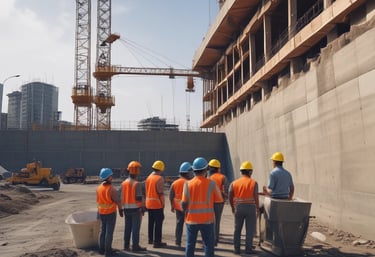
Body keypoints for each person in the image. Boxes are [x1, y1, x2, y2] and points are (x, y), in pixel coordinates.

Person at [181, 157, 223, 257]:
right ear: (206, 170)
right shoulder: (212, 184)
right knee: (208, 245)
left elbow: (183, 203)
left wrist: (185, 211)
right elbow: (219, 200)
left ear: (194, 170)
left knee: (190, 245)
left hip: (191, 220)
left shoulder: (187, 184)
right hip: (207, 220)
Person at [228, 161, 259, 255]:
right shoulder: (254, 183)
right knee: (249, 230)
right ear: (250, 172)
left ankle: (236, 249)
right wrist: (257, 208)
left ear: (241, 172)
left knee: (237, 229)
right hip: (250, 208)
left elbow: (230, 194)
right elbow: (255, 196)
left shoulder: (234, 183)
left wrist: (232, 206)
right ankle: (248, 249)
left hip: (239, 207)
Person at [120, 161, 146, 252]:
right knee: (135, 229)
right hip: (136, 209)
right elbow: (139, 198)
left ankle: (126, 246)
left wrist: (121, 209)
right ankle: (135, 247)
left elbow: (121, 197)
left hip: (126, 209)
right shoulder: (137, 184)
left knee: (127, 228)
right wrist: (143, 208)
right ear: (137, 171)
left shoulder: (123, 183)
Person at [96, 168, 123, 257]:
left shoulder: (99, 188)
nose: (112, 177)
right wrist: (120, 210)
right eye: (111, 176)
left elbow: (98, 201)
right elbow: (118, 201)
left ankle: (101, 249)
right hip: (110, 213)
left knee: (102, 231)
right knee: (109, 232)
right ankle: (108, 251)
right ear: (109, 177)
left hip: (101, 212)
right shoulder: (111, 189)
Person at [169, 161, 192, 247]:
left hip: (178, 207)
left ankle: (177, 241)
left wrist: (172, 206)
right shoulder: (189, 183)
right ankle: (189, 241)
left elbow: (171, 196)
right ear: (186, 173)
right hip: (188, 207)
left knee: (179, 224)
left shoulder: (175, 183)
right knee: (189, 225)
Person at [145, 160, 167, 248]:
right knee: (158, 223)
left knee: (151, 222)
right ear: (161, 169)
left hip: (149, 203)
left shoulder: (148, 177)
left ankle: (150, 239)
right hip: (157, 204)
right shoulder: (159, 178)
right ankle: (157, 242)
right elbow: (160, 193)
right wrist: (163, 203)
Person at [208, 158, 228, 245]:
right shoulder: (223, 177)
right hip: (219, 202)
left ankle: (211, 236)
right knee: (217, 220)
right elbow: (225, 190)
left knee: (210, 220)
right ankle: (216, 238)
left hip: (210, 201)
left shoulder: (208, 178)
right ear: (218, 168)